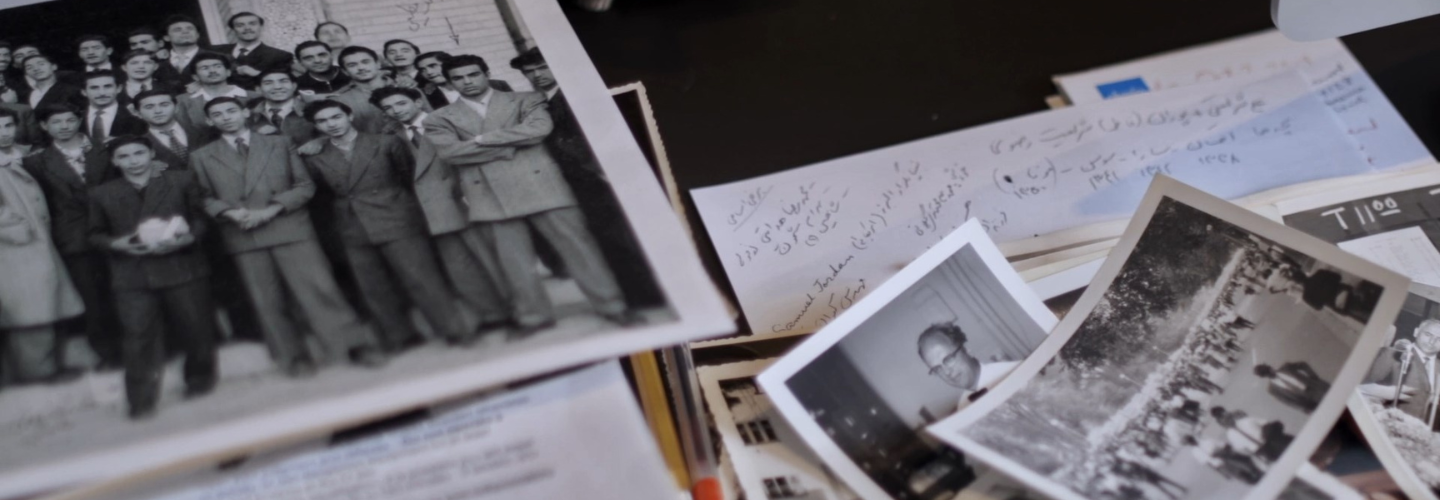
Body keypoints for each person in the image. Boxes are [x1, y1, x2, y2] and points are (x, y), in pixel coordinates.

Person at [425, 55, 639, 334]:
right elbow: (450, 152)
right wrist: (514, 142)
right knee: (514, 263)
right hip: (488, 195)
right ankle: (533, 317)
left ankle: (612, 306)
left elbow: (539, 130)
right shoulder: (438, 118)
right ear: (450, 82)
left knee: (579, 249)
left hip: (543, 186)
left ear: (486, 73)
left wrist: (479, 141)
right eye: (459, 78)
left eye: (473, 74)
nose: (467, 82)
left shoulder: (526, 99)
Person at [189, 97, 383, 376]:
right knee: (267, 301)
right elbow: (203, 197)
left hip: (289, 228)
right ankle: (293, 358)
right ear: (210, 121)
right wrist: (229, 213)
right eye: (217, 114)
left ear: (245, 112)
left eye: (231, 111)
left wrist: (272, 209)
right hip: (243, 234)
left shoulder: (279, 143)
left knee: (319, 290)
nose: (226, 117)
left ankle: (352, 346)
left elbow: (304, 185)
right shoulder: (202, 156)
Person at [301, 100, 476, 349]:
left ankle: (452, 329)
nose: (331, 124)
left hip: (397, 216)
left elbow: (408, 178)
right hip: (352, 225)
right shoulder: (315, 156)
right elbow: (321, 197)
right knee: (373, 285)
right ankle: (400, 336)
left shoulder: (385, 142)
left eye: (336, 117)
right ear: (315, 126)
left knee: (421, 278)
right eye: (323, 121)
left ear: (349, 115)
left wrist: (409, 211)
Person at [511, 47, 665, 308]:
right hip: (579, 182)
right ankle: (639, 294)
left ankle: (648, 295)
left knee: (621, 234)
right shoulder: (544, 100)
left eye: (541, 67)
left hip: (597, 176)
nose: (536, 75)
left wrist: (600, 170)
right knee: (608, 236)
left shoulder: (576, 95)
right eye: (529, 72)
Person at [87, 136, 217, 418]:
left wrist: (187, 239)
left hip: (183, 267)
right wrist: (116, 244)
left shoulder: (180, 180)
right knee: (138, 337)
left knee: (196, 330)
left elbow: (201, 220)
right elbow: (94, 234)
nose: (133, 161)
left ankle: (199, 381)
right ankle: (141, 400)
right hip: (132, 275)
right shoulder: (102, 194)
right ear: (115, 161)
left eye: (139, 153)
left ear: (151, 154)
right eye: (125, 156)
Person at [371, 86, 510, 330]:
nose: (395, 111)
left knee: (489, 256)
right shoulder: (392, 136)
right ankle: (491, 314)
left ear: (417, 101)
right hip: (431, 208)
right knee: (459, 264)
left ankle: (517, 309)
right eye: (388, 108)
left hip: (466, 197)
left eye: (401, 104)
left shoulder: (448, 120)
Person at [23, 104, 122, 370]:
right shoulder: (36, 161)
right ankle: (108, 353)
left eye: (70, 119)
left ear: (80, 120)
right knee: (92, 298)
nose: (65, 126)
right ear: (44, 126)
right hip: (75, 238)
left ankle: (147, 346)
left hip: (117, 229)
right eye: (57, 122)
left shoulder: (106, 148)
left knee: (127, 291)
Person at [0, 107, 83, 385]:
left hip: (40, 244)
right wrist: (14, 228)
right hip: (14, 250)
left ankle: (49, 367)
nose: (4, 133)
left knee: (47, 306)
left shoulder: (23, 154)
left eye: (8, 126)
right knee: (30, 313)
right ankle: (36, 373)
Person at [1362, 318, 1440, 428]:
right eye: (1428, 334)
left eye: (1439, 339)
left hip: (1419, 433)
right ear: (1416, 332)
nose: (1432, 341)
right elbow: (1363, 387)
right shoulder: (1392, 353)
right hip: (1384, 424)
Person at [916, 322, 1017, 406]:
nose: (946, 372)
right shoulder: (963, 407)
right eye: (937, 369)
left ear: (966, 350)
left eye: (948, 359)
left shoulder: (1013, 372)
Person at [175, 52, 259, 136]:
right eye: (204, 68)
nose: (212, 71)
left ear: (228, 72)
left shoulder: (253, 96)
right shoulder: (182, 101)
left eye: (217, 66)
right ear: (195, 77)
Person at [213, 12, 294, 91]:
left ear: (261, 27)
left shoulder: (279, 56)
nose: (247, 28)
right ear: (233, 30)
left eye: (252, 24)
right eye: (240, 25)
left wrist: (257, 74)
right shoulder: (216, 51)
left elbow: (284, 82)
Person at [331, 46, 396, 134]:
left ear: (378, 64)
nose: (361, 68)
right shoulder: (339, 100)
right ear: (345, 71)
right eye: (352, 65)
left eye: (365, 62)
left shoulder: (404, 87)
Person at [248, 69, 319, 146]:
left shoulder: (313, 111)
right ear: (258, 89)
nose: (277, 87)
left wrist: (320, 141)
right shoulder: (249, 116)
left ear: (294, 86)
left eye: (283, 81)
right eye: (268, 83)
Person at [80, 70, 146, 144]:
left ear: (119, 88)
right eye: (94, 88)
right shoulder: (77, 118)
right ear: (84, 92)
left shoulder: (137, 120)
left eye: (108, 87)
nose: (102, 93)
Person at [1254, 361, 1329, 412]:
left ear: (1270, 367)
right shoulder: (1272, 390)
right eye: (1268, 373)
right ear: (1265, 376)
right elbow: (1286, 401)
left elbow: (1303, 364)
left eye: (1270, 369)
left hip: (1316, 387)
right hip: (1308, 401)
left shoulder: (1286, 367)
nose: (1272, 372)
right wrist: (1303, 409)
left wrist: (1313, 377)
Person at [20, 54, 85, 114]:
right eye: (29, 67)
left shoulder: (71, 90)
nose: (36, 69)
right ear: (26, 73)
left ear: (54, 67)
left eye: (41, 64)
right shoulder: (25, 95)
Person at [163, 15, 214, 85]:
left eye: (190, 28)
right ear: (166, 37)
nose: (185, 32)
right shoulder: (158, 61)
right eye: (177, 30)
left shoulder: (216, 57)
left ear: (198, 35)